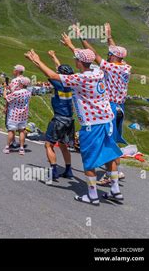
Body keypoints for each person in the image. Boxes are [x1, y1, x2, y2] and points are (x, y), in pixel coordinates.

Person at [26, 35, 123, 206]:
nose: (75, 61)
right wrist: (71, 45)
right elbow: (87, 57)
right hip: (107, 119)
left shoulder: (80, 79)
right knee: (108, 156)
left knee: (89, 159)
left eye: (76, 59)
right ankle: (115, 190)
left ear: (79, 62)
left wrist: (37, 60)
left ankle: (92, 195)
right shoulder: (98, 71)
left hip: (91, 124)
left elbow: (53, 75)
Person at [78, 23, 131, 185]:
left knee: (108, 140)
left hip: (112, 107)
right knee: (113, 138)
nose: (107, 56)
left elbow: (93, 55)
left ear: (114, 57)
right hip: (121, 107)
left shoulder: (110, 67)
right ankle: (115, 170)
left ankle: (111, 174)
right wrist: (109, 36)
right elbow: (114, 49)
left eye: (109, 55)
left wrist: (81, 38)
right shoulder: (126, 67)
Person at [44, 50, 75, 180]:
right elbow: (60, 71)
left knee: (48, 144)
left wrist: (35, 60)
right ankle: (68, 170)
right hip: (69, 120)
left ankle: (54, 170)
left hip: (58, 119)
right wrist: (54, 57)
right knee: (63, 145)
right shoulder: (73, 84)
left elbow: (49, 73)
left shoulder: (58, 84)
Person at [2, 77, 31, 154]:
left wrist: (5, 89)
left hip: (14, 114)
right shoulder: (28, 92)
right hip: (23, 115)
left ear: (21, 84)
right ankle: (21, 148)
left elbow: (6, 97)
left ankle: (7, 147)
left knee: (11, 131)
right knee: (21, 131)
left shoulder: (17, 93)